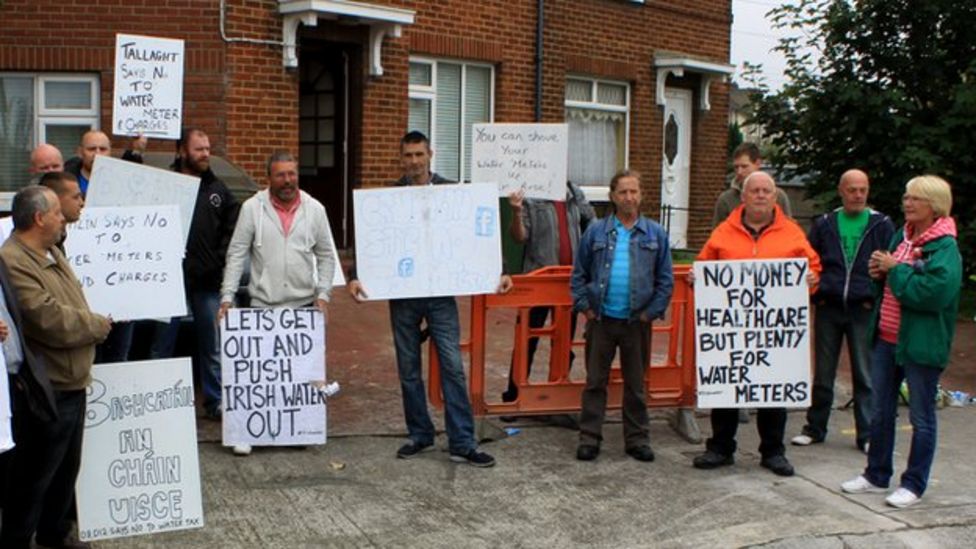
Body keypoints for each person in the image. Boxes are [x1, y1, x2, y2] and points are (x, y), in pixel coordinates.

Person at [347, 131, 512, 468]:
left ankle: (462, 442)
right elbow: (371, 239)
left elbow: (479, 234)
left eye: (419, 155)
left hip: (440, 295)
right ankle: (420, 435)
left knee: (452, 367)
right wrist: (354, 275)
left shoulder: (453, 193)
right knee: (408, 369)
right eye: (408, 155)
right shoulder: (390, 198)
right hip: (403, 296)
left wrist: (502, 269)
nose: (414, 162)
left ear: (431, 154)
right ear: (401, 158)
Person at [0, 186, 111, 549]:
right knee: (36, 474)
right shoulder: (14, 261)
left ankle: (54, 533)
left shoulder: (51, 250)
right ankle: (19, 538)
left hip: (73, 381)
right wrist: (97, 326)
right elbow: (47, 319)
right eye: (58, 213)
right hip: (48, 387)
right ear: (39, 218)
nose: (64, 218)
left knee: (65, 470)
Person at [842, 175, 962, 508]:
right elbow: (893, 285)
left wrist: (894, 270)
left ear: (933, 206)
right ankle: (876, 473)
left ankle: (914, 483)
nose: (906, 203)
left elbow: (933, 294)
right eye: (906, 197)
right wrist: (879, 273)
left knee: (921, 417)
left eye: (915, 199)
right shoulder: (902, 237)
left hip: (921, 345)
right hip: (887, 338)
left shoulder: (944, 248)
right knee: (880, 411)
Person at [693, 172, 820, 477]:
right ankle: (720, 448)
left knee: (772, 391)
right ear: (744, 197)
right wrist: (696, 279)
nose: (761, 196)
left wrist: (811, 281)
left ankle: (773, 451)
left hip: (771, 332)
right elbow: (704, 265)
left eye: (766, 191)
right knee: (727, 389)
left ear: (775, 198)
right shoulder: (724, 232)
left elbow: (812, 267)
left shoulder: (792, 233)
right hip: (731, 328)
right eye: (755, 191)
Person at [218, 151, 337, 456]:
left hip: (301, 307)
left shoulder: (315, 209)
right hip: (262, 306)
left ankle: (296, 428)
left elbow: (326, 255)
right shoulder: (251, 208)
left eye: (292, 174)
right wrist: (227, 297)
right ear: (269, 177)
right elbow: (236, 254)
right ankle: (246, 432)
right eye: (281, 175)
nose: (288, 181)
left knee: (297, 375)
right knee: (258, 376)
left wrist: (323, 295)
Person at [571, 170, 673, 462]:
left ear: (641, 195)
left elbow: (665, 280)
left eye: (634, 192)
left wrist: (649, 314)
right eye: (622, 192)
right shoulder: (596, 232)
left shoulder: (655, 234)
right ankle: (589, 437)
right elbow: (578, 275)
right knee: (594, 382)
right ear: (612, 197)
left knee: (636, 384)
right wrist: (586, 309)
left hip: (636, 323)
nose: (629, 197)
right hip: (601, 320)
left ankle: (637, 439)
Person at [791, 169, 895, 452]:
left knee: (865, 374)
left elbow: (891, 264)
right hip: (829, 306)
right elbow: (811, 260)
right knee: (823, 373)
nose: (858, 195)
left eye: (863, 189)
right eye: (852, 189)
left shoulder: (882, 224)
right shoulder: (825, 224)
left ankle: (867, 434)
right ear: (841, 191)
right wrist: (816, 287)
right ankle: (814, 427)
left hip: (863, 307)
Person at [151, 128, 239, 421]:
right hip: (169, 281)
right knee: (162, 344)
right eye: (199, 149)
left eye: (207, 148)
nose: (205, 154)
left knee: (212, 345)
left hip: (207, 279)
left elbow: (233, 225)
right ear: (182, 151)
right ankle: (154, 401)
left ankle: (214, 402)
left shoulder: (217, 190)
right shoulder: (164, 186)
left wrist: (219, 258)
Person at [502, 183, 594, 405]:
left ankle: (555, 395)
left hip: (568, 282)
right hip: (538, 280)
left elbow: (592, 223)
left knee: (564, 341)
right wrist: (515, 211)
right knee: (526, 339)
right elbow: (519, 236)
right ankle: (514, 397)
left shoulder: (574, 192)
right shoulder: (532, 194)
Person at [63, 131, 144, 364]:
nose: (97, 154)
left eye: (103, 149)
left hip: (121, 290)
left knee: (119, 356)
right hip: (83, 290)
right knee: (87, 358)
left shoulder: (125, 185)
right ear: (80, 152)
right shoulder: (68, 185)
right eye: (91, 149)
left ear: (111, 152)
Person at [713, 142, 793, 226]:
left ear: (757, 164)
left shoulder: (778, 196)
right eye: (736, 167)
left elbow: (788, 230)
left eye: (744, 166)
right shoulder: (726, 199)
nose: (739, 172)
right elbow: (718, 233)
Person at [38, 171, 85, 251]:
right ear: (55, 199)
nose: (82, 203)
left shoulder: (56, 239)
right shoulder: (41, 243)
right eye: (76, 197)